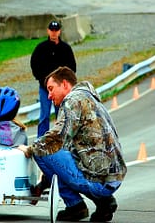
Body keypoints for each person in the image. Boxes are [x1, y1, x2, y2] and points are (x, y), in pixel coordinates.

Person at [18, 66, 127, 222]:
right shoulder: (88, 97)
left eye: (51, 89)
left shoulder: (72, 101)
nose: (49, 96)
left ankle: (75, 206)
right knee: (61, 150)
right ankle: (103, 201)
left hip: (99, 181)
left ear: (64, 84)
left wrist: (29, 149)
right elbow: (66, 147)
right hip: (113, 177)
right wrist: (43, 185)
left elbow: (56, 138)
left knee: (40, 149)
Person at [30, 20, 76, 138]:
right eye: (52, 30)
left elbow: (72, 67)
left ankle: (61, 139)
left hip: (60, 89)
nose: (54, 33)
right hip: (44, 88)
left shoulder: (65, 49)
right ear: (48, 31)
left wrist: (65, 83)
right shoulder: (41, 48)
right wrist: (41, 79)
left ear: (59, 31)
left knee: (61, 115)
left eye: (56, 30)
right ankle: (40, 141)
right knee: (44, 116)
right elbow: (34, 64)